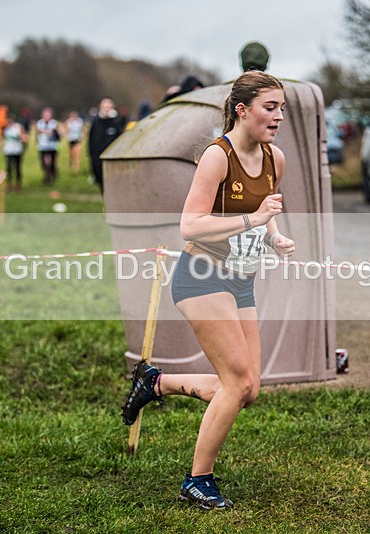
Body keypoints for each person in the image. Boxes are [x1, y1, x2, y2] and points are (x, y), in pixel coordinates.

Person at [121, 71, 295, 510]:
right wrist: (253, 221)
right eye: (269, 108)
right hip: (201, 275)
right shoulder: (218, 157)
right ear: (242, 109)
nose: (277, 117)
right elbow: (190, 225)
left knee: (249, 389)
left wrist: (273, 235)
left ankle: (155, 382)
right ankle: (197, 480)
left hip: (241, 278)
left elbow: (265, 206)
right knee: (235, 382)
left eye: (281, 109)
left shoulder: (276, 158)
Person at [87, 98, 125, 193]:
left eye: (108, 107)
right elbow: (91, 138)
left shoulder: (118, 120)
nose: (106, 109)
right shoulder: (96, 121)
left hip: (113, 155)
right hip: (98, 155)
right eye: (104, 107)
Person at [2, 112, 28, 191]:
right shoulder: (5, 128)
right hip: (8, 150)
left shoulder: (18, 127)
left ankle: (18, 184)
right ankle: (9, 184)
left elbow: (24, 138)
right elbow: (2, 137)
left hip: (17, 150)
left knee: (17, 168)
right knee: (9, 168)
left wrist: (21, 137)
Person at [35, 107, 60, 184]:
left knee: (52, 162)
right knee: (44, 163)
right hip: (43, 146)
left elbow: (58, 133)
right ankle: (46, 175)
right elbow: (37, 132)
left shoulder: (54, 123)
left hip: (52, 146)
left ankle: (52, 174)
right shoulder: (39, 123)